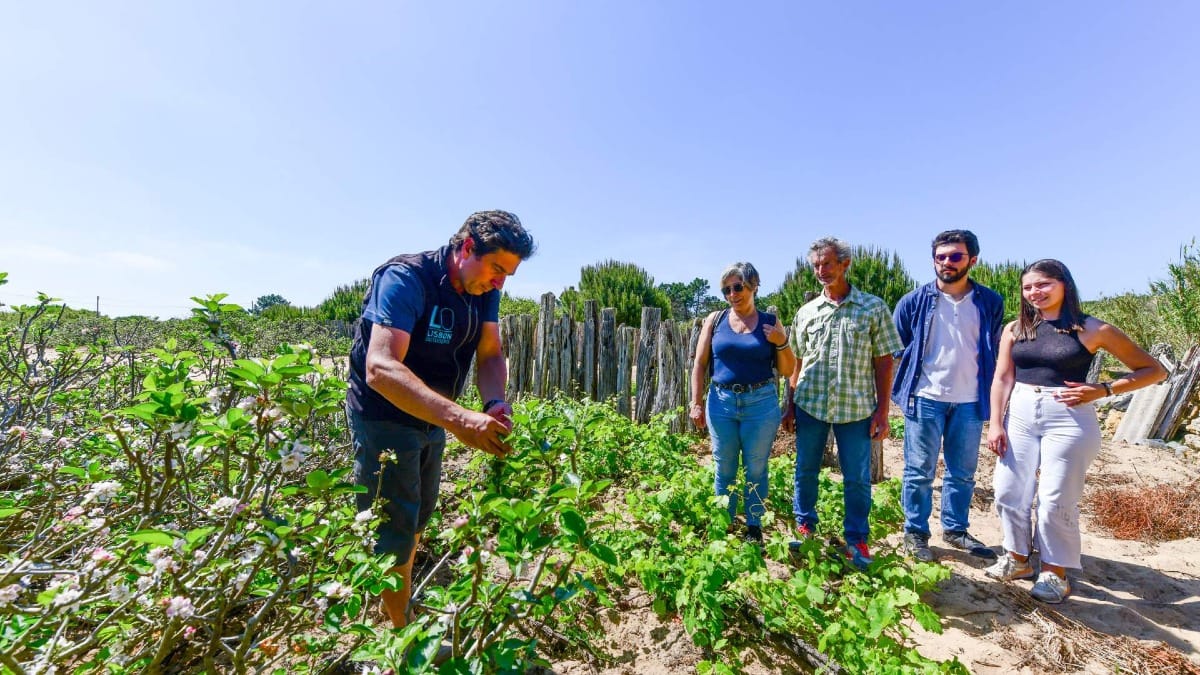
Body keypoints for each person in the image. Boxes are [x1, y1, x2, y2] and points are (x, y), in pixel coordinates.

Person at [345, 210, 535, 627]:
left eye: (509, 275)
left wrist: (493, 403)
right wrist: (460, 420)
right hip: (385, 418)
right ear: (468, 247)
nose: (501, 282)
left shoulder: (485, 289)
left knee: (420, 515)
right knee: (392, 532)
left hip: (435, 415)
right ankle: (399, 638)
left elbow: (489, 352)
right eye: (497, 268)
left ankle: (395, 601)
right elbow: (380, 367)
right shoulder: (405, 279)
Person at [985, 259, 1166, 603]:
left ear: (1063, 285)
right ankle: (1018, 559)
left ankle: (1055, 573)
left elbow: (1152, 370)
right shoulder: (1015, 328)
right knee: (1008, 490)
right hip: (1020, 412)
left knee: (1055, 498)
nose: (1034, 292)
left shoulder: (1092, 329)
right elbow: (1003, 378)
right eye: (1028, 287)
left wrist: (1104, 389)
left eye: (1043, 285)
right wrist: (995, 423)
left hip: (1068, 417)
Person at [783, 237, 904, 570]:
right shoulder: (806, 312)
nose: (821, 271)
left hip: (856, 406)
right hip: (811, 403)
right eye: (816, 265)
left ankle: (857, 539)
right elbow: (797, 360)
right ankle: (805, 526)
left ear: (845, 264)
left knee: (856, 477)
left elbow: (884, 360)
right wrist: (790, 403)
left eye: (828, 264)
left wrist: (882, 410)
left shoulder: (872, 307)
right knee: (805, 470)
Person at [892, 230, 1004, 562]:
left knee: (963, 471)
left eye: (955, 256)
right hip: (925, 397)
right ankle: (915, 533)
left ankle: (955, 530)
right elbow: (897, 349)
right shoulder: (914, 301)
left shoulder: (989, 302)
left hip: (970, 399)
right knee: (918, 469)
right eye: (940, 257)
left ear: (972, 260)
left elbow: (994, 349)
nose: (946, 263)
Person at [690, 262, 795, 543]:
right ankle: (723, 523)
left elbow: (787, 370)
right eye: (726, 289)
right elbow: (699, 364)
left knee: (756, 466)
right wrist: (696, 402)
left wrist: (782, 342)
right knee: (724, 465)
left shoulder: (770, 323)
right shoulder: (715, 320)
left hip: (760, 404)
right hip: (721, 402)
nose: (732, 294)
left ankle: (753, 526)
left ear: (754, 285)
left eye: (738, 287)